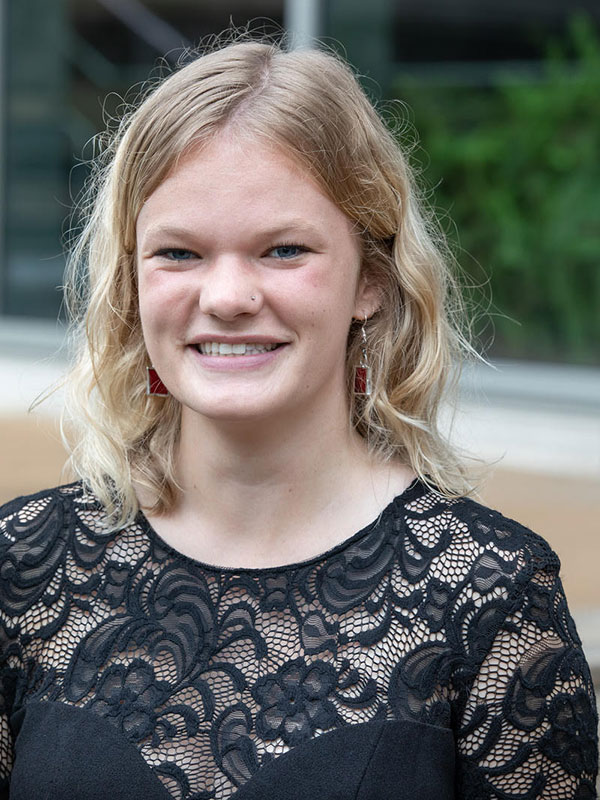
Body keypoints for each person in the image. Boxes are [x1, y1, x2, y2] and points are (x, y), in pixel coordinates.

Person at [0, 37, 597, 800]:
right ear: (131, 284)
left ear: (371, 281)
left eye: (282, 250)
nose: (226, 297)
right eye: (179, 254)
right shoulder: (22, 569)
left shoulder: (493, 597)